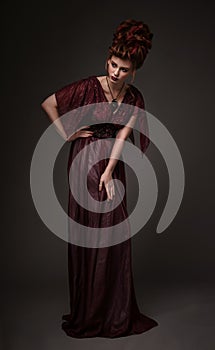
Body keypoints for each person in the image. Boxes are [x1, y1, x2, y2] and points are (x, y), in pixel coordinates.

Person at [41, 19, 158, 338]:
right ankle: (89, 313)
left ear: (133, 70)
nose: (115, 72)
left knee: (114, 235)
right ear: (108, 59)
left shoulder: (134, 98)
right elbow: (49, 103)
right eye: (112, 64)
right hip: (84, 159)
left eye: (122, 68)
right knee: (90, 232)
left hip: (112, 165)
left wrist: (108, 173)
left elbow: (122, 137)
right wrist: (66, 133)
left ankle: (110, 312)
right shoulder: (88, 85)